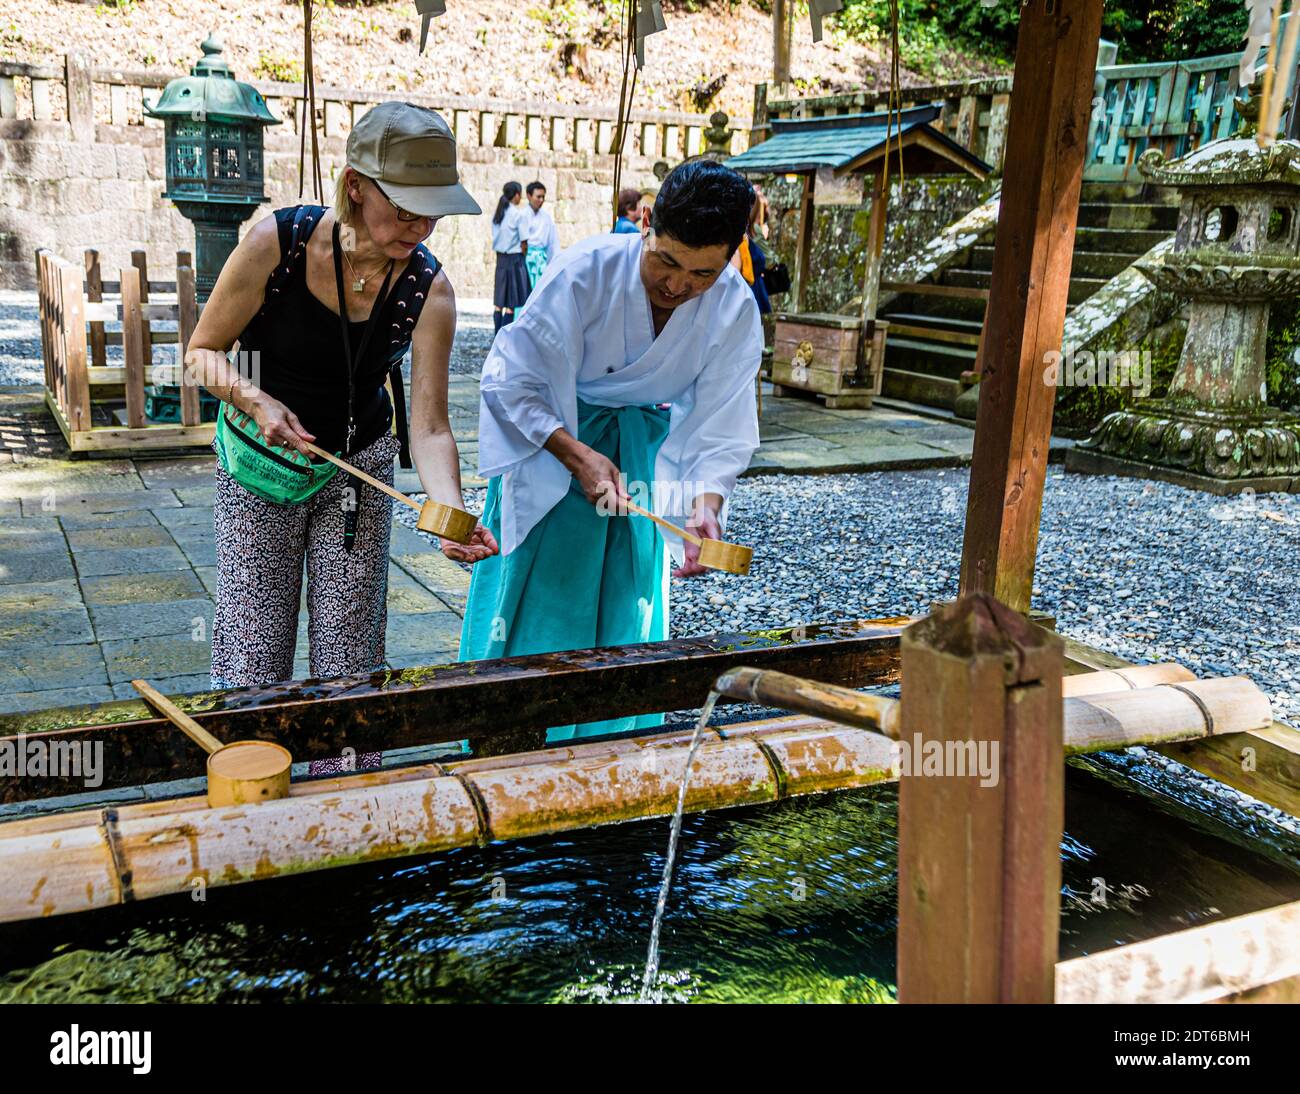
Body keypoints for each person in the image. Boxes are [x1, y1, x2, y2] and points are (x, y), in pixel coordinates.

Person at [186, 101, 498, 714]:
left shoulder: (428, 290)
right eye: (405, 209)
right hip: (260, 463)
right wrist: (256, 402)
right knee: (252, 650)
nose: (419, 228)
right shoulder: (278, 242)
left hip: (359, 467)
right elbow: (200, 354)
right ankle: (254, 785)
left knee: (351, 654)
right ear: (356, 186)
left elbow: (432, 427)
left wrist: (451, 511)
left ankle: (348, 784)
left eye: (431, 215)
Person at [460, 160, 762, 741]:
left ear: (730, 256)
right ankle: (509, 739)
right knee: (541, 598)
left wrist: (705, 505)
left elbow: (723, 421)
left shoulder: (734, 306)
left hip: (641, 461)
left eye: (701, 272)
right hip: (555, 441)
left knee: (628, 598)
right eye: (667, 260)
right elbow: (509, 378)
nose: (677, 286)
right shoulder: (585, 271)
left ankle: (614, 747)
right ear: (647, 223)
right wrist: (575, 455)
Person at [491, 181, 530, 331]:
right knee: (511, 303)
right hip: (514, 260)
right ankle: (504, 336)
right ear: (517, 195)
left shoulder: (497, 215)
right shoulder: (518, 215)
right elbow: (524, 242)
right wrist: (524, 257)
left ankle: (496, 334)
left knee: (499, 302)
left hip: (500, 260)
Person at [731, 185, 772, 315]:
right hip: (749, 289)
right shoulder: (746, 235)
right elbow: (736, 272)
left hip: (753, 290)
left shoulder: (748, 234)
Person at [521, 180, 560, 291]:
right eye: (538, 197)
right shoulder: (522, 215)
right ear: (529, 196)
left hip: (541, 261)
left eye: (543, 197)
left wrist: (553, 262)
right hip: (526, 259)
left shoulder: (547, 217)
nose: (541, 200)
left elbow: (552, 242)